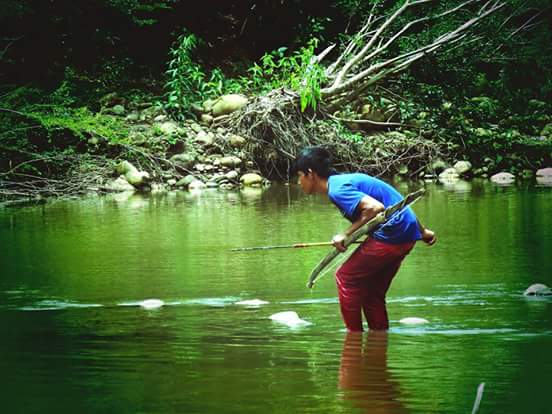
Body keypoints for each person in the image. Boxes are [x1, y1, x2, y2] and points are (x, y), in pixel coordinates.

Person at [294, 146, 436, 332]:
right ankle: (378, 338)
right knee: (372, 294)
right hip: (406, 237)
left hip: (391, 237)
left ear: (310, 174)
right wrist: (422, 231)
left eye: (299, 175)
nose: (299, 182)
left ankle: (353, 337)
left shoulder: (337, 189)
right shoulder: (342, 182)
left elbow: (375, 207)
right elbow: (398, 203)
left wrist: (345, 235)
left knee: (345, 277)